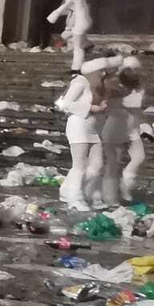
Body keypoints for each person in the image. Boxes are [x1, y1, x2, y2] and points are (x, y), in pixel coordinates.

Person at [56, 59, 107, 211]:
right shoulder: (80, 82)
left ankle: (86, 193)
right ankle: (75, 199)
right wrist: (94, 108)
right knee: (80, 165)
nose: (104, 74)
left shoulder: (98, 86)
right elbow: (65, 104)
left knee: (97, 165)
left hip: (94, 127)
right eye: (101, 71)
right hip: (79, 125)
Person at [99, 57, 146, 204]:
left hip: (133, 128)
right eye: (132, 69)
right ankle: (110, 195)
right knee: (114, 162)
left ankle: (124, 185)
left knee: (138, 157)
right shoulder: (116, 89)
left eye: (137, 70)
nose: (135, 72)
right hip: (118, 128)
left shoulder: (138, 88)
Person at [48, 0, 92, 71]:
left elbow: (63, 8)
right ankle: (87, 44)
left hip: (79, 24)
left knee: (78, 47)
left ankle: (76, 69)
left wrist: (52, 17)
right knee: (70, 37)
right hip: (86, 22)